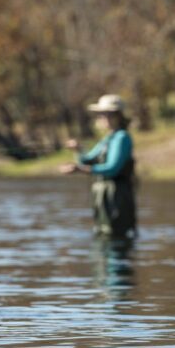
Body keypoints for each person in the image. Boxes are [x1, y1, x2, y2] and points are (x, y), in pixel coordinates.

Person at [61, 94, 137, 239]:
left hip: (117, 195)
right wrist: (78, 150)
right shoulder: (108, 138)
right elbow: (87, 160)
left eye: (104, 114)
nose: (101, 118)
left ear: (116, 115)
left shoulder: (121, 138)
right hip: (103, 196)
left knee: (116, 233)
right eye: (100, 114)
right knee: (103, 232)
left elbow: (112, 169)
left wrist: (81, 170)